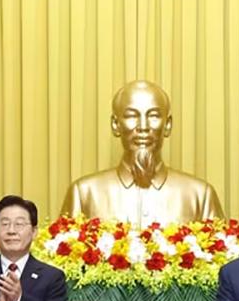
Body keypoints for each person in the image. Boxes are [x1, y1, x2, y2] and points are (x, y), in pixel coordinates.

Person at [60, 80, 223, 224]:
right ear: (115, 125)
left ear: (167, 125)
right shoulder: (84, 193)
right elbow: (61, 256)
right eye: (131, 116)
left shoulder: (200, 195)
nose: (143, 127)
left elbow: (223, 256)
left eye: (154, 116)